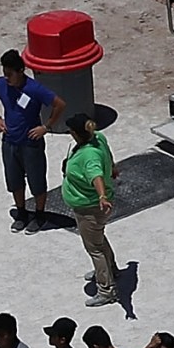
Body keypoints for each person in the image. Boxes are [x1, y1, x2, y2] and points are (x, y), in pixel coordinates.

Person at [0, 48, 64, 232]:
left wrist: (46, 127)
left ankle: (40, 215)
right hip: (10, 142)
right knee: (14, 180)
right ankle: (21, 212)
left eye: (9, 74)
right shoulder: (2, 85)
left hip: (30, 144)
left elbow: (59, 104)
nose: (7, 78)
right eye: (4, 74)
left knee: (37, 181)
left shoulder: (34, 89)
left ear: (20, 71)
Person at [61, 115, 121, 308]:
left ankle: (106, 290)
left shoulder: (88, 156)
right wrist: (112, 168)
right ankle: (111, 269)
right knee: (98, 239)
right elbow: (108, 155)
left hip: (90, 208)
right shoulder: (99, 137)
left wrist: (102, 197)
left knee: (94, 248)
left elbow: (95, 175)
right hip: (91, 206)